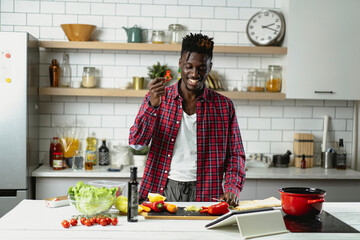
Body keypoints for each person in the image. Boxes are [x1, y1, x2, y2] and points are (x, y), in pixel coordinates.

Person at [129, 33, 246, 206]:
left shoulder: (224, 106)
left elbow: (236, 155)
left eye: (201, 67)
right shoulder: (159, 98)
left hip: (207, 192)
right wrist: (152, 107)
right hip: (162, 189)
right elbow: (136, 143)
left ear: (210, 66)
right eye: (189, 66)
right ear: (180, 64)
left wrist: (232, 187)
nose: (194, 73)